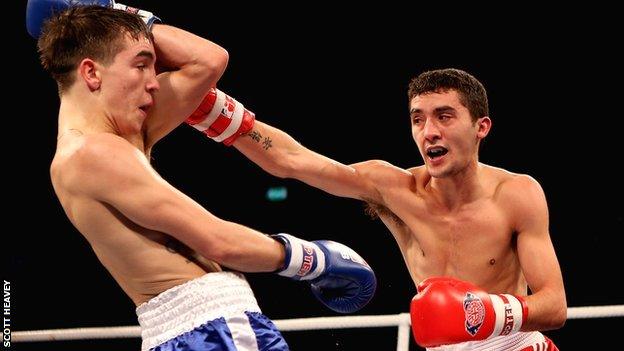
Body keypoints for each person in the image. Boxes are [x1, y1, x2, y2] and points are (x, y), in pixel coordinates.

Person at [29, 1, 377, 350]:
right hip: (212, 330)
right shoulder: (95, 153)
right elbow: (217, 241)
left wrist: (110, 11)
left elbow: (208, 61)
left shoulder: (117, 137)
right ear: (91, 73)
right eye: (141, 66)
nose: (155, 82)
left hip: (188, 332)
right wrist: (313, 260)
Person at [185, 68, 567, 350]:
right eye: (418, 119)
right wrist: (209, 109)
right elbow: (292, 160)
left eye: (444, 116)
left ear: (481, 127)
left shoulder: (517, 194)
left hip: (514, 344)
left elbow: (554, 305)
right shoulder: (394, 189)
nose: (428, 131)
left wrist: (483, 313)